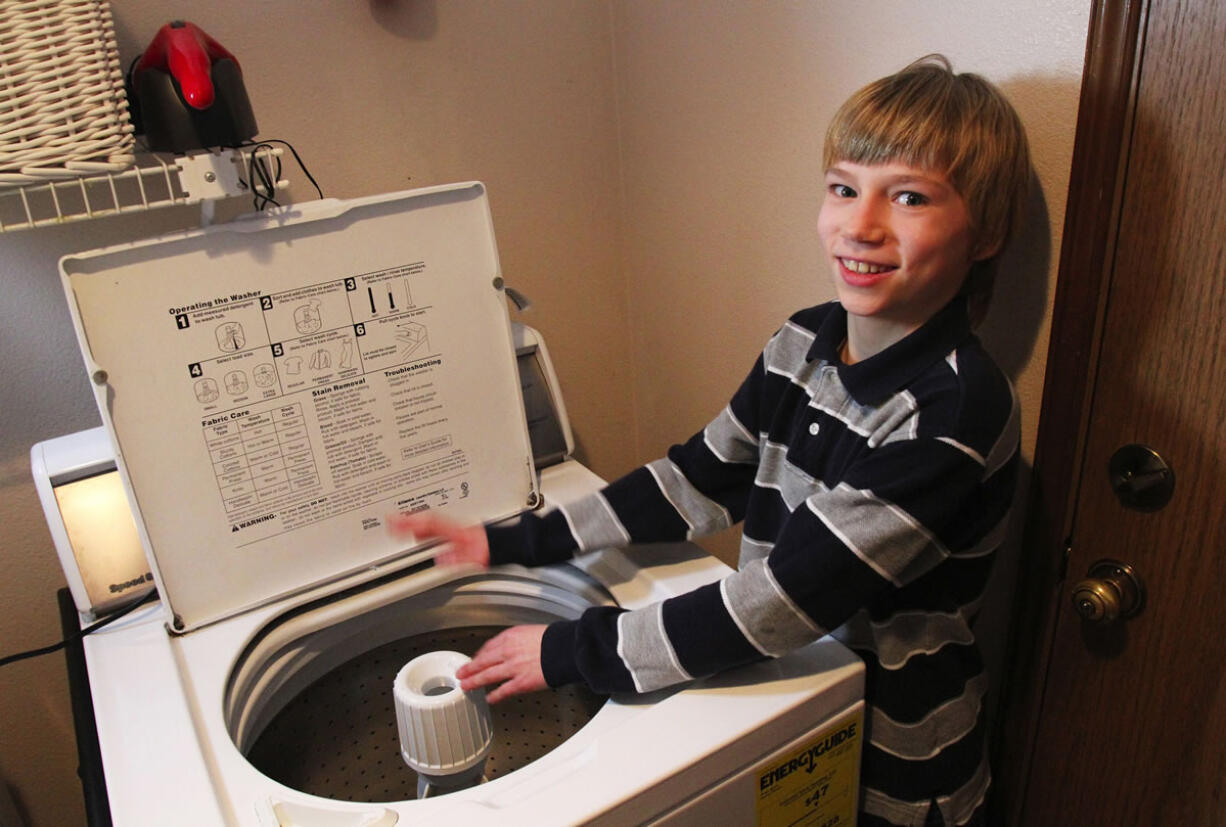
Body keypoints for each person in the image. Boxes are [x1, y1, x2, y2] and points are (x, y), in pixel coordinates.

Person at [389, 54, 1030, 827]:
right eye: (843, 188)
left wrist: (567, 651)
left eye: (910, 197)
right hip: (789, 709)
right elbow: (696, 477)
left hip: (900, 763)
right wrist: (520, 540)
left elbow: (784, 600)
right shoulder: (803, 343)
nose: (860, 225)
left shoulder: (954, 410)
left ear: (986, 231)